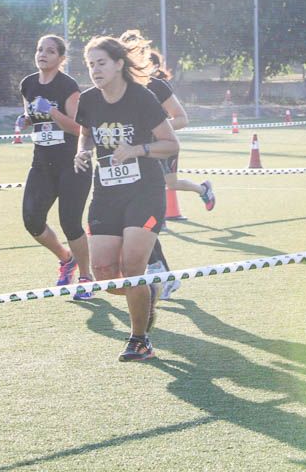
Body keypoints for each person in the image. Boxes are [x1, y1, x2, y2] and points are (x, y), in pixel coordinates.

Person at [73, 34, 179, 362]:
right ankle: (149, 290)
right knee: (105, 274)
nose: (94, 70)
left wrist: (137, 149)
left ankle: (140, 338)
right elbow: (86, 134)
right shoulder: (89, 101)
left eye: (101, 63)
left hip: (144, 194)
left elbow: (171, 144)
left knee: (133, 266)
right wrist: (82, 152)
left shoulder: (141, 98)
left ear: (119, 64)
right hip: (105, 195)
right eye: (90, 65)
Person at [127, 33, 215, 301]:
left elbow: (182, 119)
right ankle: (160, 271)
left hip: (159, 150)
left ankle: (202, 189)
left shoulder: (157, 86)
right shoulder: (113, 90)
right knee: (136, 219)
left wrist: (154, 135)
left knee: (169, 186)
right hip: (133, 162)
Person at [16, 35, 93, 300]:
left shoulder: (68, 86)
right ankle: (66, 258)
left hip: (73, 163)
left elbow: (80, 127)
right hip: (42, 164)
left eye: (50, 51)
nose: (43, 54)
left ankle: (86, 277)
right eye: (39, 49)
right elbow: (33, 115)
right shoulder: (28, 84)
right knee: (32, 220)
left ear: (61, 58)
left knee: (71, 223)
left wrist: (52, 112)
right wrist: (26, 119)